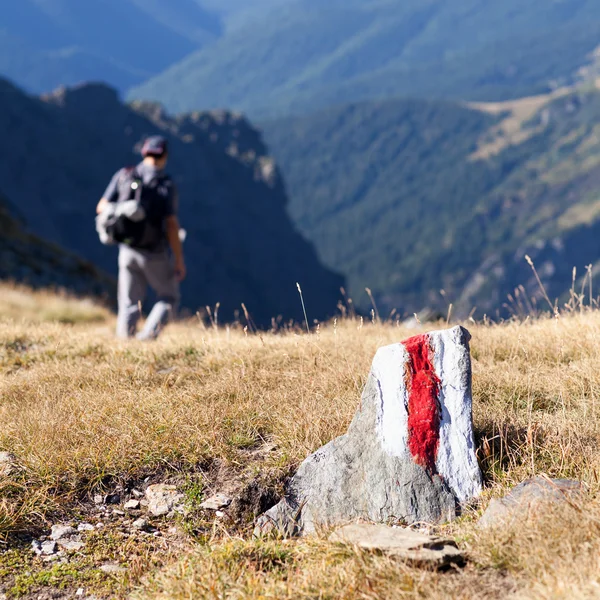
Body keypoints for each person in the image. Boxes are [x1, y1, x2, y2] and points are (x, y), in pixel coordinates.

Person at [97, 136, 186, 340]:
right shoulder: (166, 184)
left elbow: (101, 206)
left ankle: (125, 346)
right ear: (165, 156)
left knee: (128, 302)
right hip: (154, 253)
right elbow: (172, 225)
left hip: (126, 250)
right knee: (169, 297)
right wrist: (179, 259)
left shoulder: (125, 174)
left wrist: (122, 209)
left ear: (144, 153)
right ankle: (146, 339)